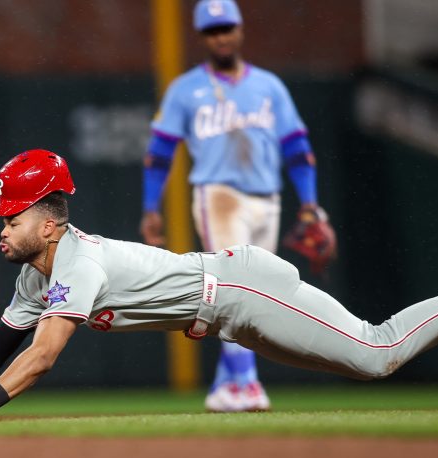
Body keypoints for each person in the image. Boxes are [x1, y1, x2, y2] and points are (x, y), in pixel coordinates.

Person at [0, 149, 438, 425]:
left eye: (12, 216)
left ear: (49, 219)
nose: (1, 227)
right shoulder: (34, 273)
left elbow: (39, 360)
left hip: (239, 290)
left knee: (376, 354)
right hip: (229, 312)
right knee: (372, 356)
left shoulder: (75, 263)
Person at [140, 0, 329, 412]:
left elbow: (298, 150)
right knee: (235, 287)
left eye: (225, 28)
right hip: (218, 195)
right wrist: (151, 207)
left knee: (257, 293)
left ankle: (226, 385)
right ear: (202, 37)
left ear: (240, 30)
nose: (220, 36)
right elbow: (159, 153)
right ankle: (245, 382)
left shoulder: (269, 86)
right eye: (211, 31)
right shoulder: (185, 89)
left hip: (268, 197)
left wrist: (310, 203)